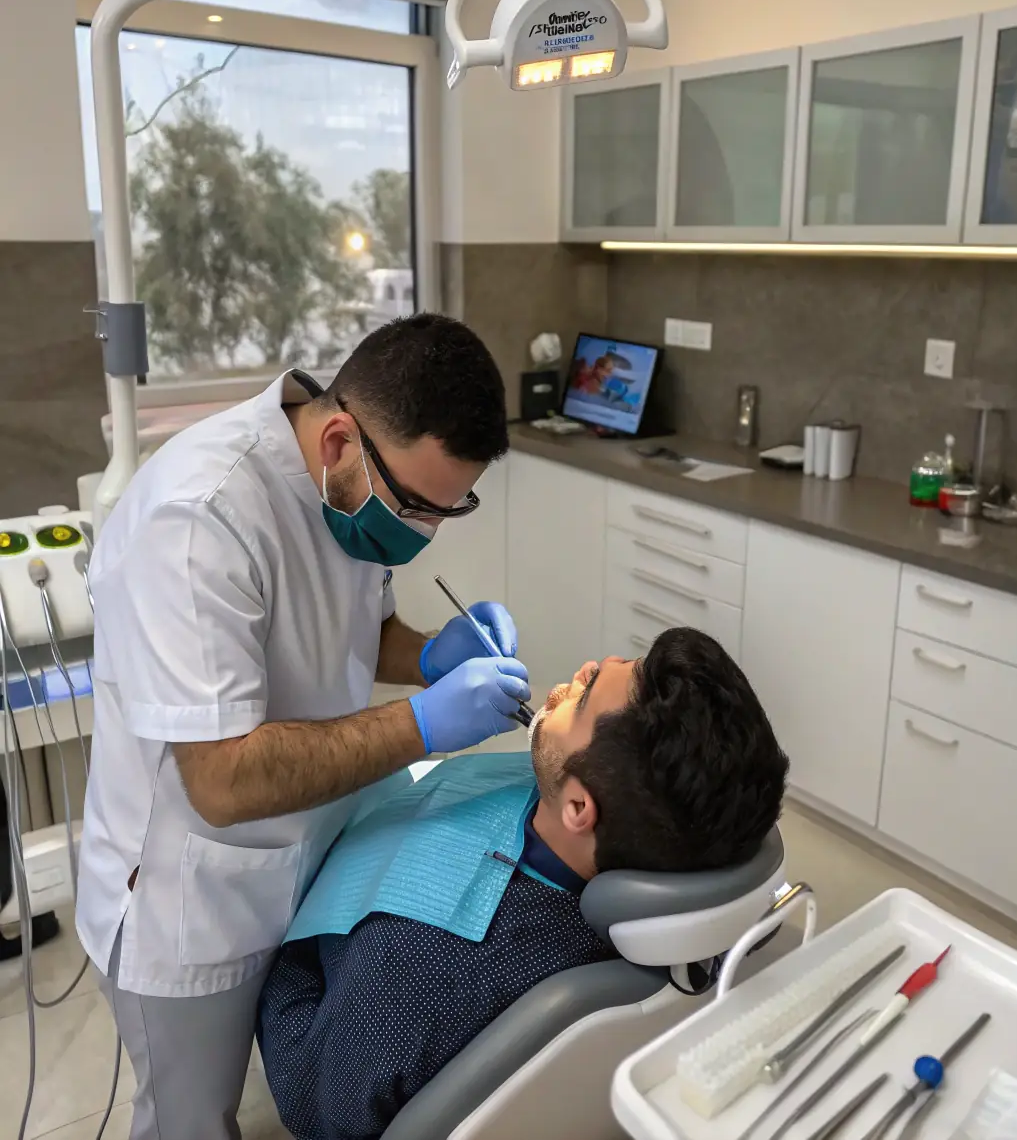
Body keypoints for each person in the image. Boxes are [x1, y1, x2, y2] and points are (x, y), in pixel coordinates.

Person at [76, 314, 532, 1140]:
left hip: (307, 854)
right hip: (191, 897)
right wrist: (425, 722)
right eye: (416, 505)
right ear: (337, 441)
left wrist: (432, 654)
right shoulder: (198, 518)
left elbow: (350, 626)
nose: (422, 531)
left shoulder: (349, 494)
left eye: (448, 507)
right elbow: (221, 779)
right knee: (192, 1120)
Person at [258, 627, 790, 1140]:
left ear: (579, 807)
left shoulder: (419, 967)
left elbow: (315, 1107)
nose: (583, 669)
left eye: (584, 696)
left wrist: (280, 961)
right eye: (603, 667)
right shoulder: (658, 834)